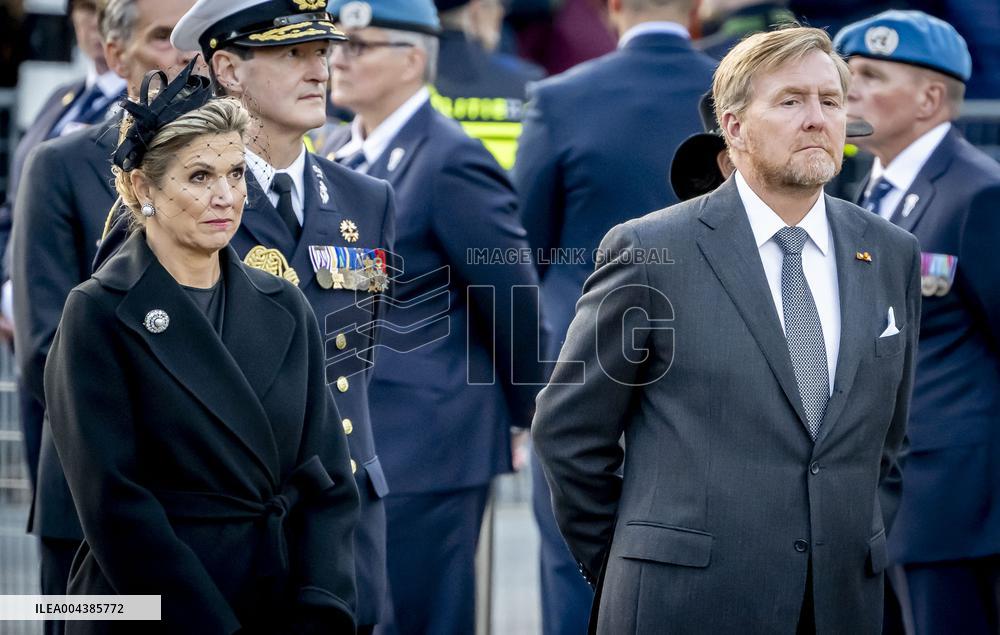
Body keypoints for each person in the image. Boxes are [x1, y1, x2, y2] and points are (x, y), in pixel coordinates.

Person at [533, 25, 921, 633]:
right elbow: (569, 434)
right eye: (791, 100)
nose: (817, 118)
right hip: (683, 605)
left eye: (830, 100)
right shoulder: (650, 249)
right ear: (734, 128)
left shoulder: (890, 252)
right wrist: (639, 561)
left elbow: (886, 444)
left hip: (842, 603)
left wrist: (853, 539)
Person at [96, 1, 398, 631]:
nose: (322, 69)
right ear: (228, 68)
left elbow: (359, 360)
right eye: (294, 54)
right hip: (215, 535)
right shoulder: (180, 201)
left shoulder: (366, 199)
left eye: (323, 51)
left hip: (338, 532)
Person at [44, 60, 359, 635]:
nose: (225, 196)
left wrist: (319, 605)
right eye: (199, 177)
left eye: (236, 173)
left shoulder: (284, 305)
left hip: (278, 604)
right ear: (144, 188)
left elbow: (328, 479)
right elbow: (115, 508)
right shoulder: (99, 312)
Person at [324, 1, 544, 632]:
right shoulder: (339, 148)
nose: (338, 58)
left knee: (420, 617)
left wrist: (524, 412)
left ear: (413, 59)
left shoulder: (449, 158)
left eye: (360, 46)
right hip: (356, 433)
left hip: (429, 438)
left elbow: (512, 297)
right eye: (337, 43)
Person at [511, 1, 714, 632]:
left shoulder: (560, 97)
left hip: (581, 350)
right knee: (700, 547)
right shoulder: (740, 93)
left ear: (614, 7)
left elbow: (526, 246)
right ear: (699, 8)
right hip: (712, 346)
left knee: (572, 548)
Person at [11, 0, 197, 627]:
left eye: (196, 37)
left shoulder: (231, 172)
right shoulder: (61, 166)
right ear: (115, 55)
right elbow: (47, 349)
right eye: (164, 38)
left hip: (209, 506)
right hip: (96, 501)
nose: (185, 55)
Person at [835, 11, 1000, 634]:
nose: (848, 89)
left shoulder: (977, 194)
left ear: (931, 98)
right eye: (847, 72)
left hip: (953, 507)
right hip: (878, 497)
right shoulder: (866, 193)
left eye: (871, 75)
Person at [430, 0, 544, 169]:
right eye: (501, 5)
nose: (502, 15)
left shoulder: (407, 83)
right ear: (476, 10)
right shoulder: (529, 83)